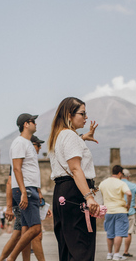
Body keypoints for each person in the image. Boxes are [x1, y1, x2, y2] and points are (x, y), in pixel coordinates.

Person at [48, 97, 100, 261]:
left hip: (62, 193)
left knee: (68, 247)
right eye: (82, 114)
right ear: (69, 115)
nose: (86, 118)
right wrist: (89, 197)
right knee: (81, 248)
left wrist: (83, 137)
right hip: (75, 193)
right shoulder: (69, 136)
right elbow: (75, 168)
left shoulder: (59, 135)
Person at [6, 113, 43, 261]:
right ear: (25, 124)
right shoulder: (19, 142)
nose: (35, 123)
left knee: (26, 229)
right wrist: (23, 192)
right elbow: (16, 168)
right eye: (32, 121)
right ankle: (10, 258)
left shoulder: (28, 143)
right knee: (36, 228)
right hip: (25, 189)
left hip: (30, 188)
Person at [100, 165, 132, 261]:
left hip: (108, 211)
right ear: (119, 173)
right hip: (120, 210)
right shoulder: (121, 183)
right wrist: (128, 204)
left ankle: (109, 254)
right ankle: (116, 254)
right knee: (119, 233)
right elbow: (129, 193)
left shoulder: (103, 183)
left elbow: (98, 192)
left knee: (110, 234)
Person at [121, 169, 136, 258]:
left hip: (118, 210)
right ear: (128, 176)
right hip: (130, 211)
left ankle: (113, 253)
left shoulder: (117, 184)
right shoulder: (132, 185)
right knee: (128, 232)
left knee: (117, 232)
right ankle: (125, 251)